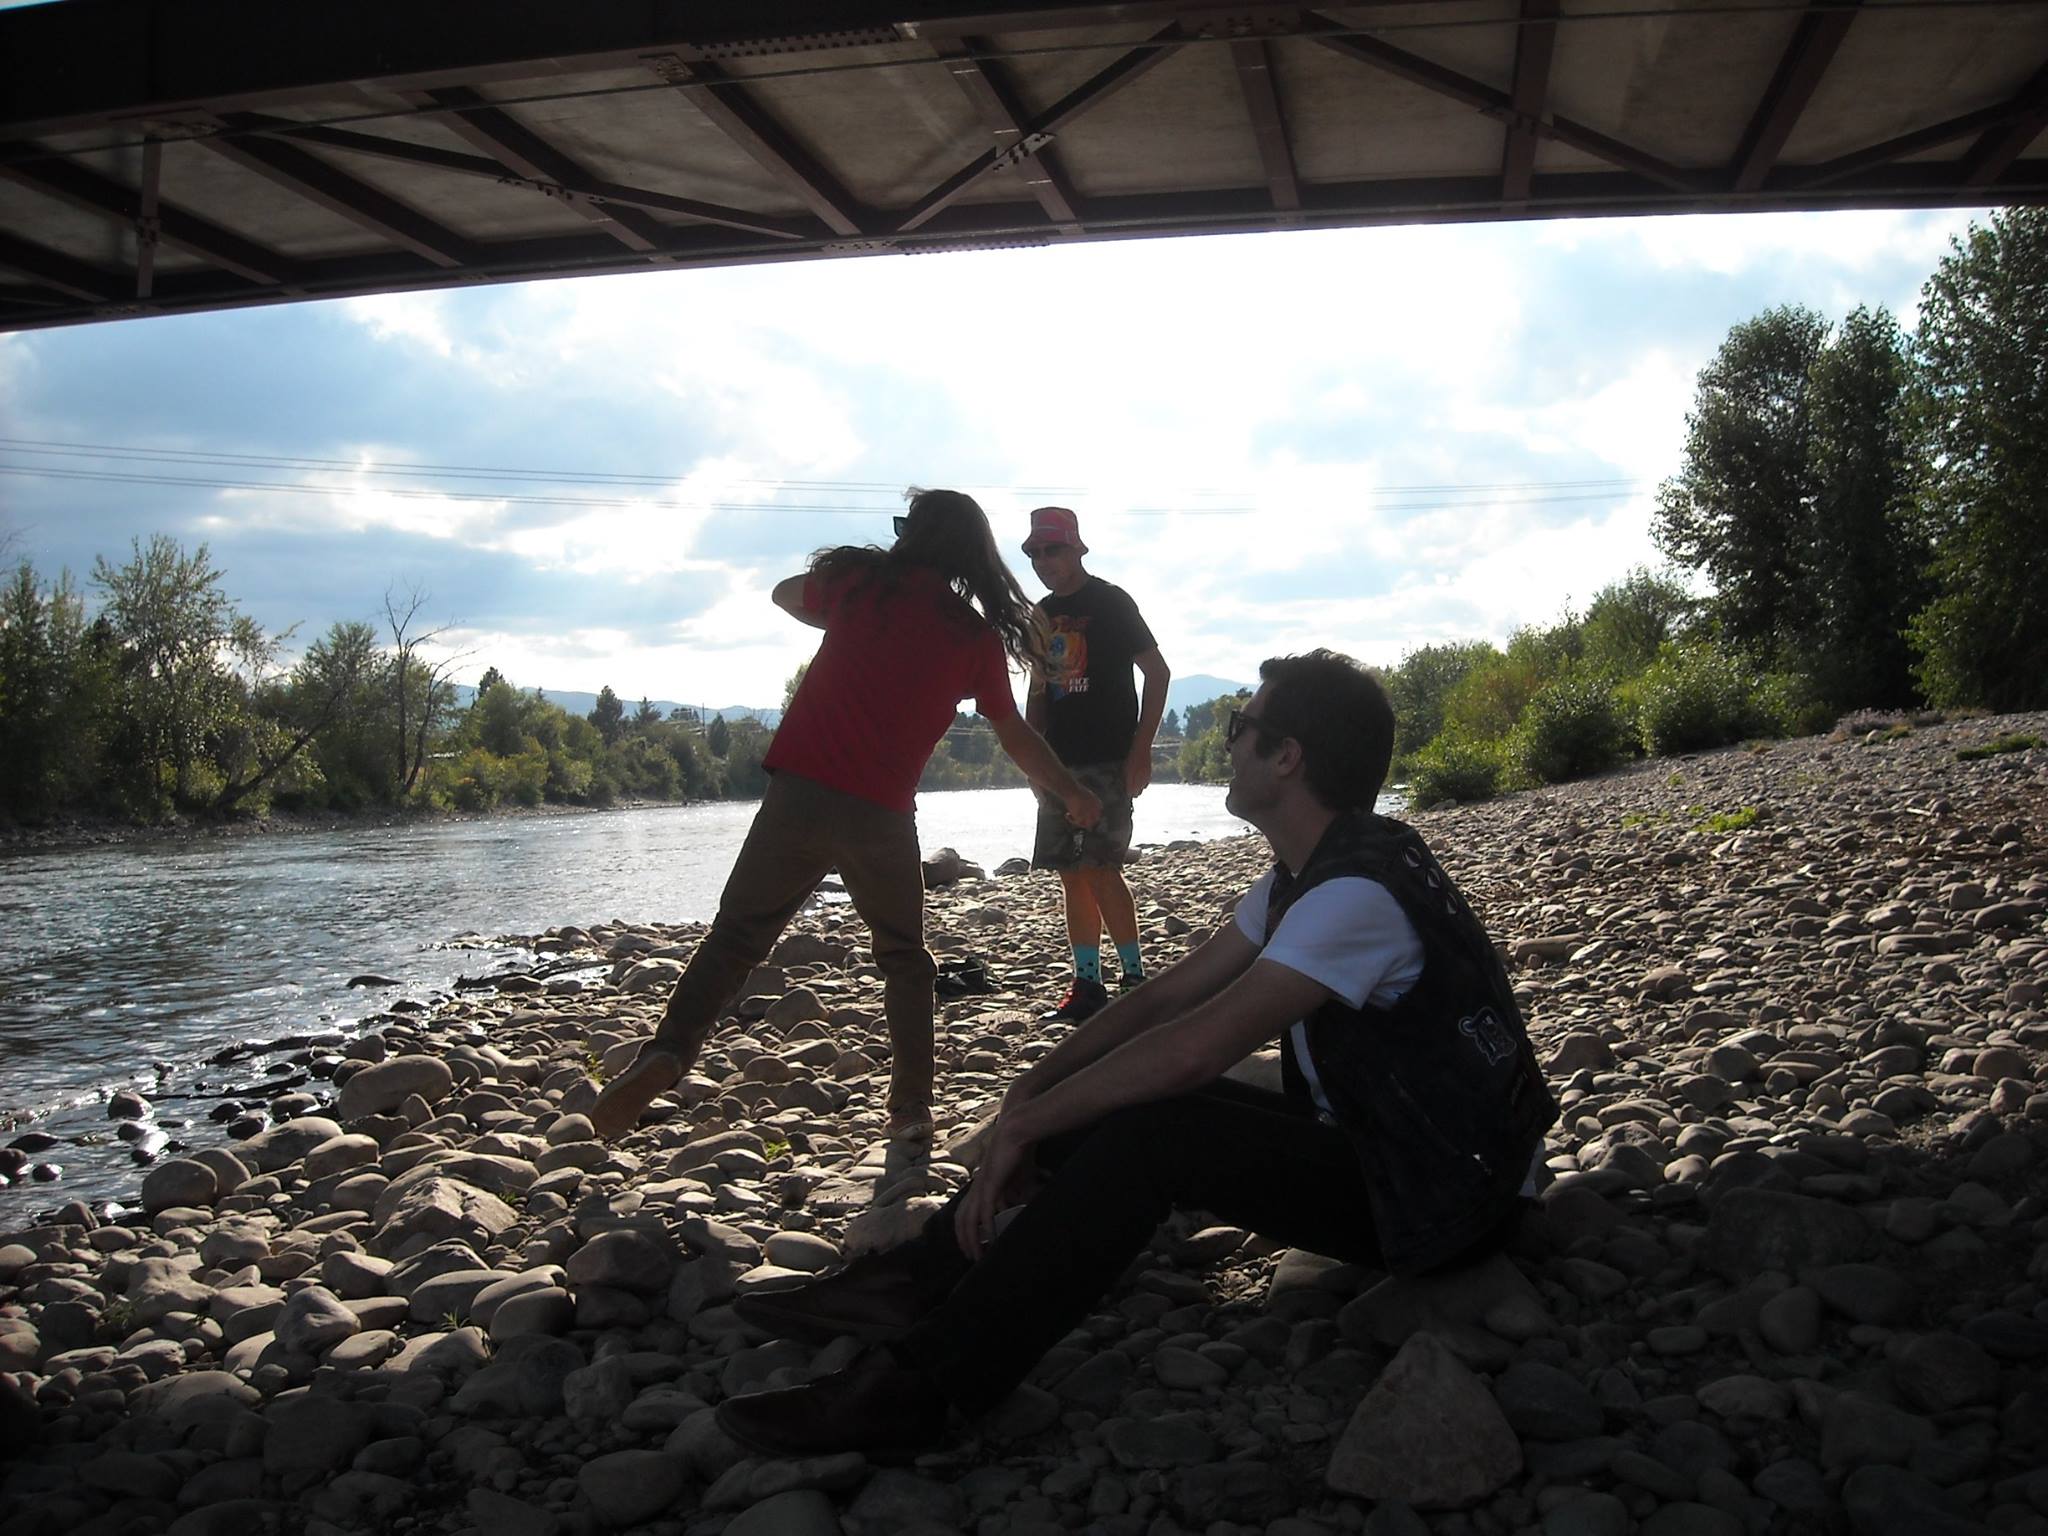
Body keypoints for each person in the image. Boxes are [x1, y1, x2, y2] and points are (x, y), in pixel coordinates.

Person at [715, 649, 1558, 1459]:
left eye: (1241, 723)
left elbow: (1195, 1047)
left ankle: (928, 1387)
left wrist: (1032, 1125)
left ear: (1287, 757)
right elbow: (1164, 996)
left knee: (1154, 1136)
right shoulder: (1315, 868)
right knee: (1104, 1093)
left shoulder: (1352, 899)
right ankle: (913, 1284)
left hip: (1448, 1195)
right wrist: (1035, 1088)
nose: (1228, 740)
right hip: (1403, 1145)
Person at [588, 489, 1102, 1145]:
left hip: (797, 794)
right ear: (970, 556)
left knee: (737, 937)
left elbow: (783, 593)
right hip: (880, 815)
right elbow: (1016, 738)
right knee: (905, 960)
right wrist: (1069, 792)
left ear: (911, 538)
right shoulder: (971, 635)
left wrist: (847, 601)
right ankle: (912, 1106)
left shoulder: (859, 584)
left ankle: (667, 1051)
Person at [1021, 506, 1170, 1022]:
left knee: (1102, 869)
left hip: (1109, 759)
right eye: (1035, 552)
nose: (1043, 560)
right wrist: (1033, 764)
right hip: (1059, 766)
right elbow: (1038, 693)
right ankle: (1087, 984)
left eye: (1053, 549)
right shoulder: (1039, 615)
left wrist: (1141, 749)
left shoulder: (1110, 602)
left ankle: (1134, 979)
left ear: (1077, 549)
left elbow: (1158, 673)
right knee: (1070, 873)